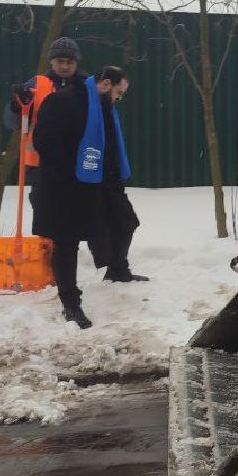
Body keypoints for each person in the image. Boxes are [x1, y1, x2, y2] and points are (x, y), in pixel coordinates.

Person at [32, 66, 144, 330]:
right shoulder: (64, 101)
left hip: (100, 183)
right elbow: (44, 142)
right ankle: (71, 303)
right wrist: (69, 170)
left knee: (125, 221)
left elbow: (109, 145)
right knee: (66, 243)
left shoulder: (104, 106)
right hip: (65, 186)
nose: (119, 98)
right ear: (105, 84)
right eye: (119, 92)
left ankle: (117, 269)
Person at [4, 36, 85, 212]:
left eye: (69, 61)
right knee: (45, 212)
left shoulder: (87, 87)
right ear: (51, 62)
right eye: (60, 61)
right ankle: (46, 240)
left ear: (76, 63)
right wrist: (16, 107)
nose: (64, 66)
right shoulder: (36, 84)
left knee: (74, 214)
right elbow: (13, 122)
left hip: (78, 163)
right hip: (41, 164)